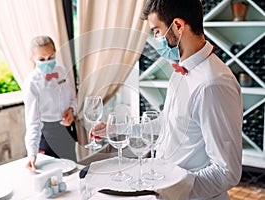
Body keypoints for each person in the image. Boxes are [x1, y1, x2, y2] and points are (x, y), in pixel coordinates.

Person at [92, 0, 243, 199]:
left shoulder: (213, 85)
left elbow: (227, 173)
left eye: (156, 31)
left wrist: (172, 191)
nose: (155, 40)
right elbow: (168, 124)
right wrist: (117, 130)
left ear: (178, 26)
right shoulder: (180, 71)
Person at [23, 35, 77, 172]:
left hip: (67, 131)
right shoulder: (31, 83)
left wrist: (71, 110)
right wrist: (32, 153)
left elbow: (72, 99)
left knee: (71, 172)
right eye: (42, 59)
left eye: (51, 57)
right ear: (33, 58)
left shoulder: (62, 71)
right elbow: (32, 122)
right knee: (50, 177)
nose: (47, 62)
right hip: (46, 134)